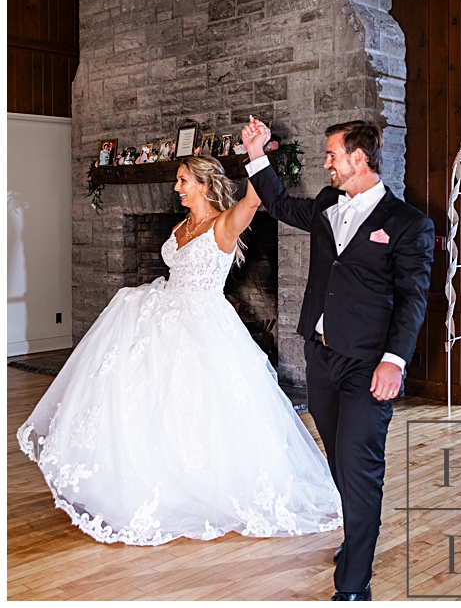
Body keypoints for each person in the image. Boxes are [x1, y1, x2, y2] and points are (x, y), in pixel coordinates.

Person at [17, 155, 343, 547]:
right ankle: (136, 479)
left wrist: (259, 154)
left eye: (183, 180)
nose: (177, 187)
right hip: (160, 314)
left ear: (205, 185)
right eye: (177, 180)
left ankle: (197, 487)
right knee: (144, 400)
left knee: (197, 406)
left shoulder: (224, 224)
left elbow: (255, 200)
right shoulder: (180, 226)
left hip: (203, 324)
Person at [242, 117, 434, 600]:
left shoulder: (408, 223)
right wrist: (256, 152)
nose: (325, 163)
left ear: (359, 158)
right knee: (339, 461)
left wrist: (394, 360)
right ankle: (357, 539)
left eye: (332, 155)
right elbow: (281, 204)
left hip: (369, 366)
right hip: (321, 357)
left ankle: (353, 588)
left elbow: (413, 298)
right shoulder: (329, 203)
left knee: (359, 465)